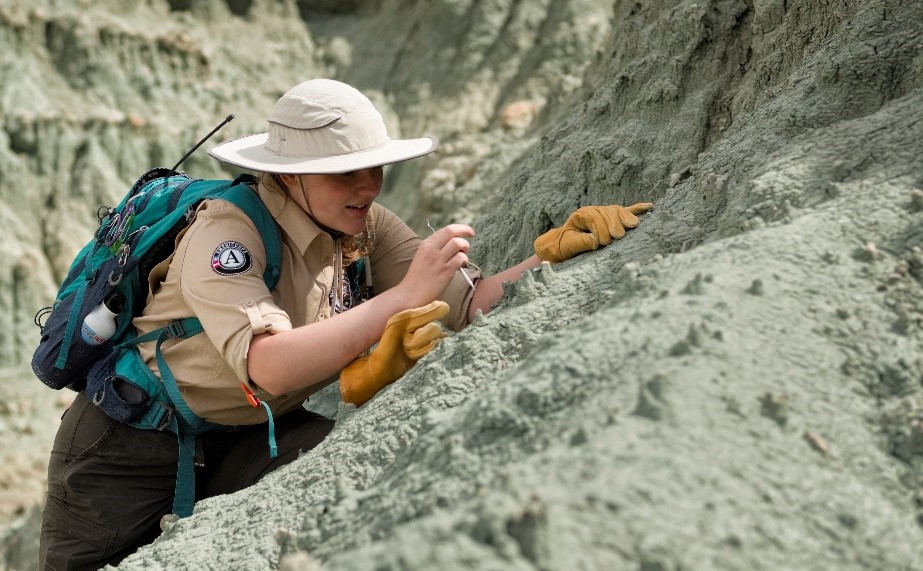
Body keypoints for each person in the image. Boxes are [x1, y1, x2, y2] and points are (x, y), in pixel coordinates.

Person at [38, 78, 651, 569]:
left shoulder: (366, 226)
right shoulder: (229, 233)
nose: (366, 188)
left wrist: (545, 255)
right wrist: (401, 298)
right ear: (290, 175)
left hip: (254, 434)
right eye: (344, 174)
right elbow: (269, 364)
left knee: (347, 496)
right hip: (125, 441)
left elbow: (465, 304)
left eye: (374, 170)